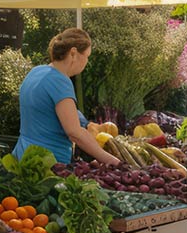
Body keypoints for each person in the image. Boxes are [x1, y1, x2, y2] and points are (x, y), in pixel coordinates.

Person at [16, 28, 120, 166]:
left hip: (23, 156)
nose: (87, 62)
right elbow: (74, 132)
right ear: (73, 53)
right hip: (47, 164)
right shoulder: (60, 81)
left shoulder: (36, 72)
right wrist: (113, 161)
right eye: (87, 56)